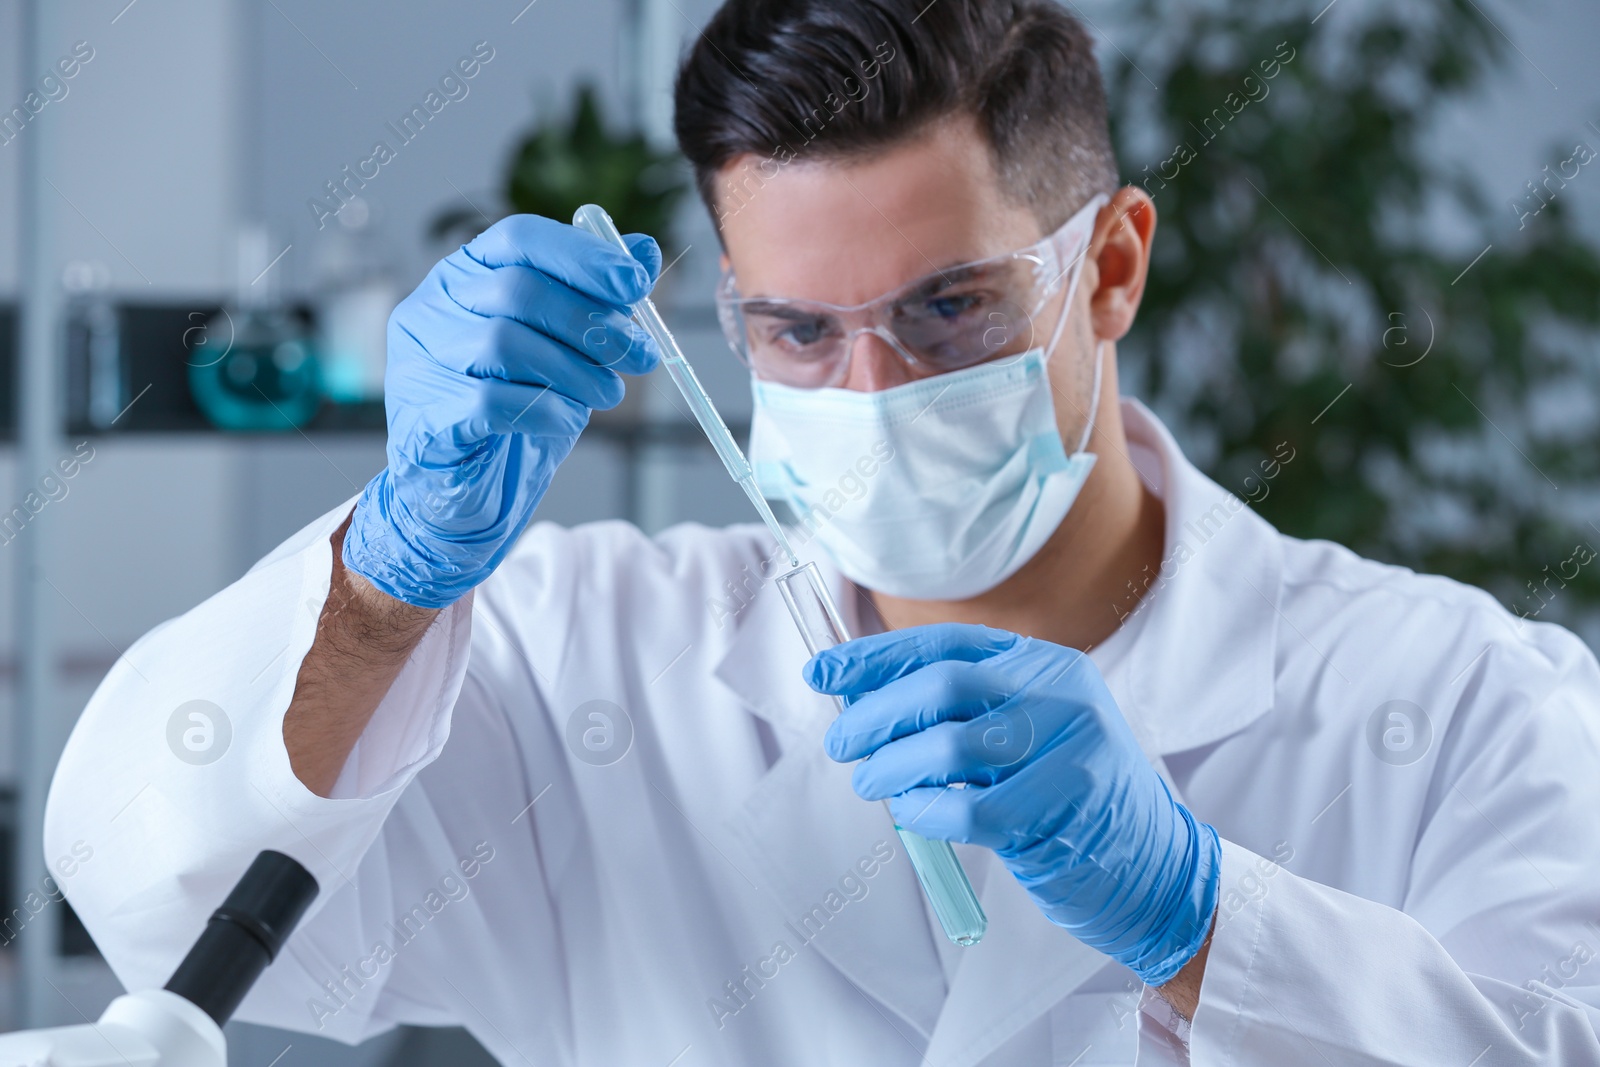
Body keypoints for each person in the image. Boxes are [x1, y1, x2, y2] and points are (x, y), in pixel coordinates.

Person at [44, 0, 1600, 1063]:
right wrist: (391, 573)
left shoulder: (1459, 699)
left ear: (1112, 268)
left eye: (949, 308)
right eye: (793, 329)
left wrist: (1202, 918)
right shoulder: (583, 659)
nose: (873, 388)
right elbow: (153, 900)